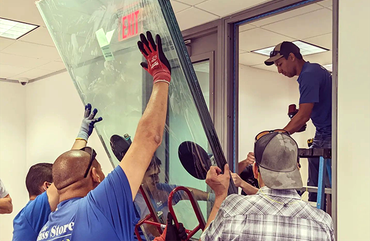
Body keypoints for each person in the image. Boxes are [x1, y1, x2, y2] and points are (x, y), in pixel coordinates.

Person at [36, 32, 184, 241]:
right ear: (95, 175)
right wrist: (161, 77)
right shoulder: (96, 205)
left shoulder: (46, 231)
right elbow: (149, 137)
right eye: (102, 171)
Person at [201, 130, 335, 241]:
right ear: (297, 170)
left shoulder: (233, 210)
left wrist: (220, 196)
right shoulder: (323, 222)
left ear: (255, 170)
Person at [12, 104, 102, 241]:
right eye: (58, 184)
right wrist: (82, 134)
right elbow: (70, 172)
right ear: (47, 186)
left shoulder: (36, 217)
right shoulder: (32, 213)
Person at [264, 41, 332, 201]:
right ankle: (315, 214)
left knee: (330, 187)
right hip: (322, 132)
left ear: (292, 57)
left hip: (330, 133)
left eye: (280, 64)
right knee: (316, 186)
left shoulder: (309, 73)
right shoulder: (312, 72)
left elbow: (303, 116)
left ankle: (330, 219)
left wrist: (281, 135)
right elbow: (306, 112)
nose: (279, 70)